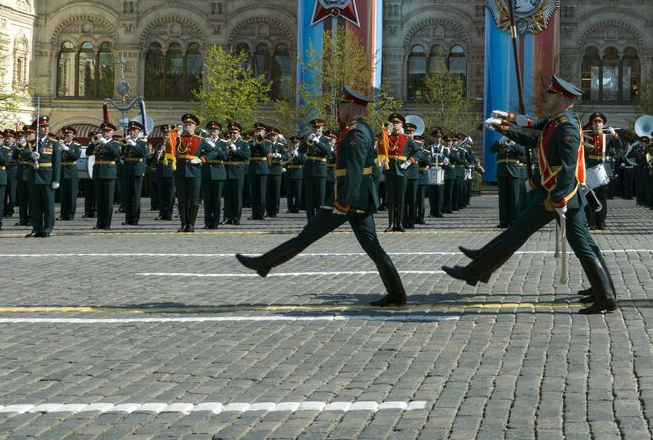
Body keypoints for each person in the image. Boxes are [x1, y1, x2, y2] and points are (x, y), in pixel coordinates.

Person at [443, 75, 619, 315]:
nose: (546, 97)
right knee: (585, 244)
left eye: (550, 94)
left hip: (557, 194)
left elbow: (568, 167)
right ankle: (605, 292)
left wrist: (558, 196)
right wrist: (507, 124)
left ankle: (475, 270)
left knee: (517, 232)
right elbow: (535, 134)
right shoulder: (558, 121)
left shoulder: (566, 125)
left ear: (563, 98)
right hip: (563, 193)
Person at [236, 86, 406, 307]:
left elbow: (355, 171)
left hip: (349, 199)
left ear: (352, 109)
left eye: (343, 105)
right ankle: (397, 293)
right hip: (358, 199)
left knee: (307, 236)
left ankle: (265, 263)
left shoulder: (357, 133)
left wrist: (343, 202)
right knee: (373, 247)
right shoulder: (355, 130)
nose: (339, 109)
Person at [24, 115, 61, 238]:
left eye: (46, 126)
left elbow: (56, 163)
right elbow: (23, 154)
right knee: (35, 205)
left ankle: (47, 228)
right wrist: (31, 155)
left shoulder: (53, 143)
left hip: (47, 178)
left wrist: (56, 179)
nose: (46, 129)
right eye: (43, 127)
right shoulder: (31, 144)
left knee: (48, 205)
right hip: (34, 176)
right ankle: (36, 228)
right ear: (37, 129)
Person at [173, 114, 203, 232]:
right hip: (181, 172)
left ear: (194, 126)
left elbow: (214, 152)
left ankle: (191, 224)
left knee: (194, 200)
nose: (187, 127)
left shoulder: (200, 140)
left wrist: (202, 159)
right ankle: (183, 224)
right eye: (185, 124)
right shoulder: (179, 139)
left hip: (194, 172)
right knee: (181, 200)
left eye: (189, 125)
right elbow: (170, 149)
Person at [380, 114, 409, 232]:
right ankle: (391, 223)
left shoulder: (406, 138)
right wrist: (386, 132)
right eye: (393, 123)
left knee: (401, 198)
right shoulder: (387, 137)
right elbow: (381, 147)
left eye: (397, 123)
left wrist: (409, 162)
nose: (395, 125)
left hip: (402, 171)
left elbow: (418, 152)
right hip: (390, 170)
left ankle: (400, 223)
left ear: (402, 125)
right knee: (391, 199)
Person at [90, 122, 121, 229]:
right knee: (100, 200)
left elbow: (116, 154)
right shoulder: (98, 143)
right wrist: (93, 143)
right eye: (103, 131)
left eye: (107, 131)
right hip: (98, 172)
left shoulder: (115, 143)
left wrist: (106, 144)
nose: (105, 133)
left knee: (108, 200)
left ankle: (107, 223)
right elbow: (88, 152)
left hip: (109, 173)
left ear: (112, 132)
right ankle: (99, 223)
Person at [199, 121, 228, 229]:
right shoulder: (204, 142)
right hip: (206, 171)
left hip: (218, 172)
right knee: (207, 199)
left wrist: (214, 147)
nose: (212, 133)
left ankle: (215, 222)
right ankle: (207, 222)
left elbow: (224, 156)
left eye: (214, 131)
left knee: (216, 199)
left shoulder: (223, 143)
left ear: (218, 132)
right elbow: (200, 153)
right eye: (211, 131)